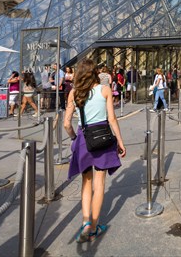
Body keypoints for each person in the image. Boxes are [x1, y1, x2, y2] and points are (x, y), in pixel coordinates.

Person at [63, 58, 127, 243]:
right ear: (94, 73)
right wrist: (120, 142)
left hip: (84, 138)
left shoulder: (74, 93)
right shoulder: (104, 90)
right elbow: (112, 119)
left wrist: (75, 138)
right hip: (104, 138)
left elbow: (67, 124)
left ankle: (85, 223)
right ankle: (95, 225)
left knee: (86, 182)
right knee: (100, 183)